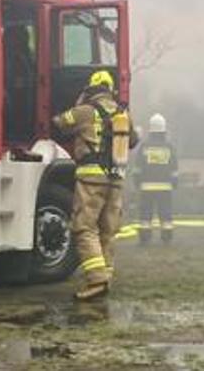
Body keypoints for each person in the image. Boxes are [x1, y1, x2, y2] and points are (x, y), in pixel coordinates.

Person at [52, 69, 137, 301]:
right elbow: (133, 140)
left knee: (84, 228)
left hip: (91, 179)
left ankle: (97, 280)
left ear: (91, 89)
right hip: (115, 179)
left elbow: (59, 122)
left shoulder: (86, 111)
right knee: (108, 230)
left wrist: (79, 101)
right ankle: (105, 276)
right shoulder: (122, 114)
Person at [133, 113, 178, 245]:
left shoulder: (144, 146)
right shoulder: (169, 147)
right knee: (165, 213)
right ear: (164, 129)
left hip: (146, 187)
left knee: (146, 213)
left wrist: (137, 182)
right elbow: (174, 167)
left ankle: (145, 237)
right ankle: (166, 236)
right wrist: (174, 183)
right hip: (165, 187)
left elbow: (138, 167)